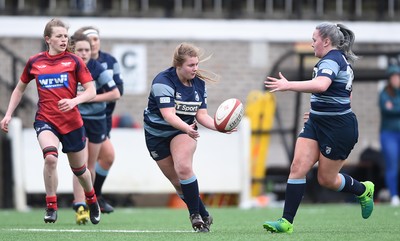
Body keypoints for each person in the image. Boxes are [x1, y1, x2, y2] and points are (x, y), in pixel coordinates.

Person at [263, 22, 374, 233]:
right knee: (297, 168)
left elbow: (322, 85)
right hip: (317, 123)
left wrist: (288, 86)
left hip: (339, 128)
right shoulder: (334, 61)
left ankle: (363, 189)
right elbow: (344, 94)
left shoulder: (332, 60)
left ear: (326, 41)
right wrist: (319, 112)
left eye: (314, 40)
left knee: (327, 179)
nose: (312, 44)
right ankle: (286, 222)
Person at [0, 18, 101, 224]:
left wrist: (74, 101)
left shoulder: (74, 61)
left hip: (72, 122)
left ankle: (91, 200)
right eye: (59, 36)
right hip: (46, 120)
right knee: (50, 158)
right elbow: (20, 88)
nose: (64, 39)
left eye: (65, 36)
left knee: (80, 171)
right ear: (48, 39)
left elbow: (91, 90)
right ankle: (51, 206)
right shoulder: (35, 62)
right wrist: (8, 114)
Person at [143, 42, 227, 232]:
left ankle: (195, 216)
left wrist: (218, 127)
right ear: (178, 65)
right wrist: (187, 128)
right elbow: (168, 115)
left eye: (196, 64)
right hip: (156, 134)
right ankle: (204, 213)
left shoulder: (199, 84)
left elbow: (202, 115)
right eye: (191, 65)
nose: (195, 69)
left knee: (183, 167)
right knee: (178, 184)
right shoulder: (162, 82)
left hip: (182, 131)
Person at [70, 34, 121, 224]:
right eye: (80, 50)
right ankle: (79, 206)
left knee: (91, 165)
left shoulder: (97, 68)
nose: (84, 53)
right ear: (72, 51)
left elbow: (115, 93)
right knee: (79, 164)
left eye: (87, 50)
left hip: (97, 120)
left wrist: (88, 97)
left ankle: (91, 201)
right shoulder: (68, 68)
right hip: (78, 119)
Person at [379, 63, 400, 207]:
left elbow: (394, 108)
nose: (396, 79)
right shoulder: (384, 93)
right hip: (388, 135)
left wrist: (394, 106)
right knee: (392, 165)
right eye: (393, 77)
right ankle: (393, 195)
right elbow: (388, 110)